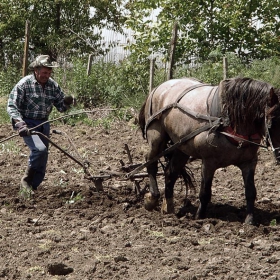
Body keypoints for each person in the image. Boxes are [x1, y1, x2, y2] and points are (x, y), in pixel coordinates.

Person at [7, 54, 74, 193]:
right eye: (44, 72)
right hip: (27, 123)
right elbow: (12, 106)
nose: (46, 75)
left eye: (49, 73)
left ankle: (33, 187)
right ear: (36, 70)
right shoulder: (24, 84)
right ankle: (26, 182)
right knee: (39, 150)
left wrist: (67, 102)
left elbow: (61, 107)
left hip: (44, 123)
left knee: (43, 156)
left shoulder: (52, 86)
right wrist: (20, 123)